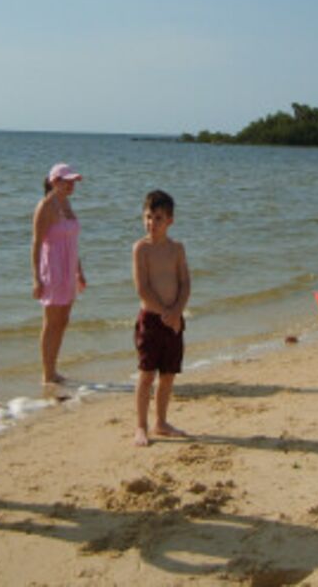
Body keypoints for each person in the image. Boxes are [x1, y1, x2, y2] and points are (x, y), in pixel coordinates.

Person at [132, 189, 191, 447]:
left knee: (168, 375)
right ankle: (141, 426)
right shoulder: (141, 249)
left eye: (157, 218)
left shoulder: (177, 249)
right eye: (148, 217)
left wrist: (177, 312)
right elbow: (143, 289)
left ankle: (161, 422)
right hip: (152, 320)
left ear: (169, 221)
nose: (151, 223)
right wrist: (165, 313)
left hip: (174, 320)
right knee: (146, 374)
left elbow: (185, 283)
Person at [31, 162, 87, 385]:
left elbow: (73, 242)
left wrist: (79, 272)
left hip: (68, 269)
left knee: (63, 321)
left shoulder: (67, 204)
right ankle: (47, 373)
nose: (72, 185)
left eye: (73, 181)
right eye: (67, 181)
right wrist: (36, 278)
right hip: (52, 270)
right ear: (55, 181)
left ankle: (54, 369)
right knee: (51, 322)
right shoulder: (45, 206)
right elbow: (36, 244)